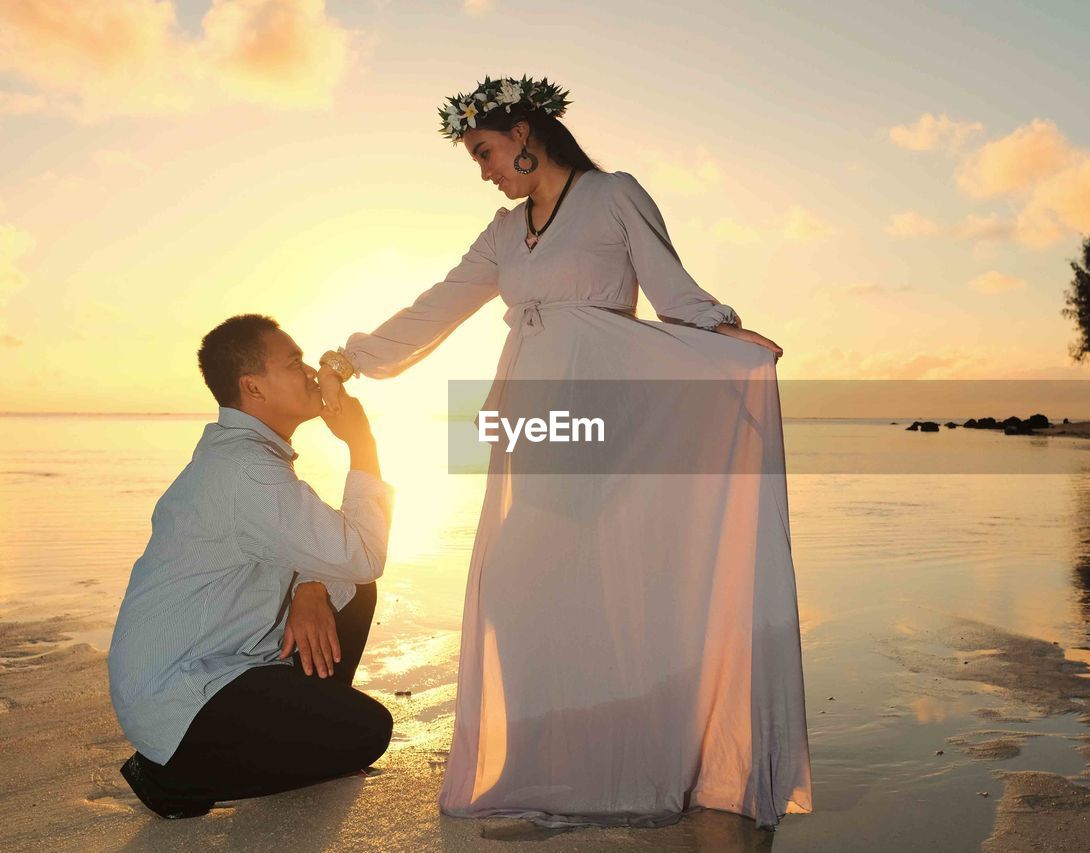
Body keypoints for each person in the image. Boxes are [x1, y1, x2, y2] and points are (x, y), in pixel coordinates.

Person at [317, 76, 812, 829]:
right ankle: (559, 775)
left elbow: (672, 289)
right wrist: (357, 357)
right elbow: (440, 303)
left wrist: (722, 334)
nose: (480, 167)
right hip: (524, 417)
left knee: (534, 586)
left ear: (523, 134)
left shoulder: (614, 195)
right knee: (531, 595)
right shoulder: (502, 233)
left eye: (483, 150)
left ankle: (584, 781)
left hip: (600, 407)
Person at [107, 314, 395, 819]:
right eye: (293, 363)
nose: (310, 372)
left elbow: (330, 553)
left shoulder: (243, 457)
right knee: (369, 732)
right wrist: (361, 443)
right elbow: (364, 551)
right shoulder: (249, 472)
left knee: (349, 586)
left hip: (224, 665)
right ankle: (171, 780)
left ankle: (308, 731)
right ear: (253, 387)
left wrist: (310, 587)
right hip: (182, 699)